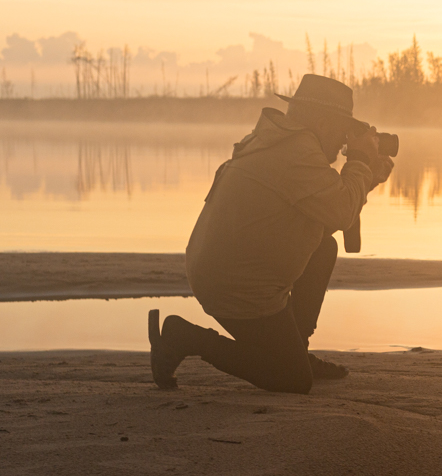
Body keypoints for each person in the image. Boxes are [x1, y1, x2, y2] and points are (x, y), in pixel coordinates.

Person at [147, 74, 394, 394]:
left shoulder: (276, 140)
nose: (343, 142)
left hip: (224, 271)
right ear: (322, 122)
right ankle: (186, 338)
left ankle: (296, 351)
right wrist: (360, 161)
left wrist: (367, 177)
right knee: (292, 379)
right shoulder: (296, 152)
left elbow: (329, 216)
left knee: (323, 248)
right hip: (235, 286)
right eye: (343, 130)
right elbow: (342, 212)